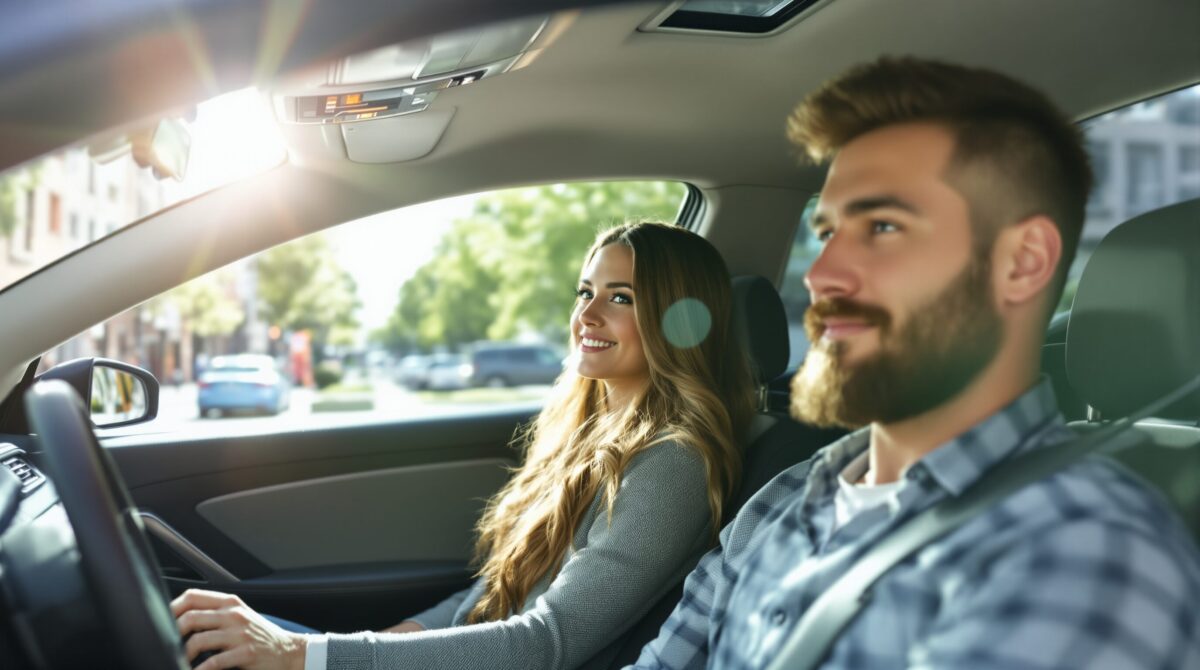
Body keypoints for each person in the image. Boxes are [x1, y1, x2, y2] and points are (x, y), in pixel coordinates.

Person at [628, 57, 1200, 668]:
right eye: (826, 234)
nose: (822, 277)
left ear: (1022, 262)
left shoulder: (1084, 552)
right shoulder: (785, 496)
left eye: (882, 226)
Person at [171, 221, 757, 670]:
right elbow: (489, 597)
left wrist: (302, 654)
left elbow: (545, 641)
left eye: (621, 298)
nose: (587, 314)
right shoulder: (587, 436)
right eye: (586, 291)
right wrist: (334, 651)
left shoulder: (673, 463)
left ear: (678, 322)